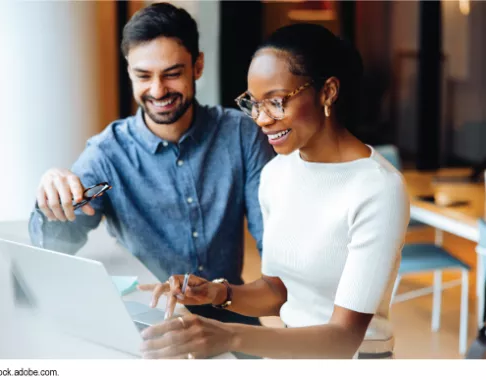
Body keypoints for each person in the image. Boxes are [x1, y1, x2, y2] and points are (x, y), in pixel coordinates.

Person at [138, 23, 410, 359]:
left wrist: (228, 335)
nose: (261, 118)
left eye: (276, 102)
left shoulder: (377, 188)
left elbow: (343, 339)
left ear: (328, 92)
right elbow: (277, 290)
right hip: (289, 355)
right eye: (253, 103)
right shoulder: (277, 173)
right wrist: (216, 293)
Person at [28, 2, 275, 326]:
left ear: (197, 66)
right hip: (149, 324)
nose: (158, 90)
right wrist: (51, 196)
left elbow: (275, 244)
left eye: (172, 74)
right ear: (129, 71)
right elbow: (56, 247)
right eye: (143, 76)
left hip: (231, 315)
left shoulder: (241, 135)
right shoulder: (106, 154)